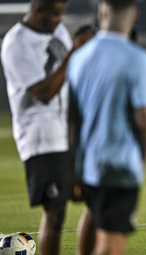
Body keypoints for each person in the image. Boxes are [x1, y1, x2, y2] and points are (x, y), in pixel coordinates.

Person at [1, 1, 92, 254]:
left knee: (97, 197)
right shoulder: (16, 42)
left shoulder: (59, 33)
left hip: (69, 131)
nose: (59, 21)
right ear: (38, 9)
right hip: (41, 135)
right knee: (55, 211)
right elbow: (43, 92)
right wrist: (74, 52)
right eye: (54, 15)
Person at [67, 0, 146, 254]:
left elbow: (72, 120)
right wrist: (142, 162)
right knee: (111, 246)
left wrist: (73, 167)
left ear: (102, 13)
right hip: (119, 165)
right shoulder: (137, 58)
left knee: (99, 230)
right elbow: (145, 121)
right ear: (134, 15)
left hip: (87, 166)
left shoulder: (79, 58)